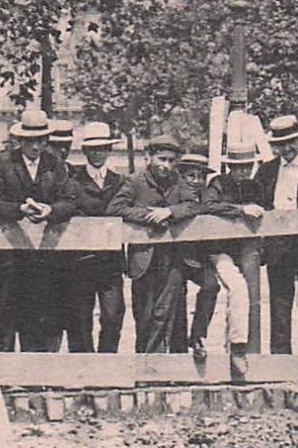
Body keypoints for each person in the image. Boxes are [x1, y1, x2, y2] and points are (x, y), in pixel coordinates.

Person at [0, 107, 77, 351]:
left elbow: (70, 201)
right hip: (9, 255)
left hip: (43, 255)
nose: (36, 146)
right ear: (21, 140)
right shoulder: (3, 162)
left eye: (41, 140)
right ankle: (3, 374)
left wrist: (50, 211)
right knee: (5, 313)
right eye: (30, 141)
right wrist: (18, 209)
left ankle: (31, 376)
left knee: (38, 315)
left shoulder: (54, 163)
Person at [111, 136, 196, 353]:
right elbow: (115, 208)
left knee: (165, 312)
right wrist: (147, 216)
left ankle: (158, 370)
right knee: (145, 314)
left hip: (172, 257)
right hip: (144, 258)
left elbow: (193, 204)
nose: (166, 165)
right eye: (161, 159)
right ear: (149, 157)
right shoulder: (135, 181)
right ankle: (143, 367)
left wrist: (169, 212)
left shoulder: (178, 181)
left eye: (171, 160)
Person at [200, 138, 266, 382]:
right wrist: (240, 210)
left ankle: (239, 350)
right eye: (238, 167)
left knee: (250, 296)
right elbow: (208, 206)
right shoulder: (218, 183)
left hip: (246, 250)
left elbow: (263, 211)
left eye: (247, 166)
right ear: (230, 167)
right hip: (219, 250)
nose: (243, 171)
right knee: (237, 287)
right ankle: (238, 347)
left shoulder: (255, 186)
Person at [62, 120, 127, 353]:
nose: (98, 153)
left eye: (103, 148)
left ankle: (106, 364)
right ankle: (84, 371)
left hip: (110, 263)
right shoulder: (72, 182)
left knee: (113, 314)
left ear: (109, 150)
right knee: (79, 319)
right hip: (80, 262)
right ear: (85, 151)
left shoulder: (120, 182)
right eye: (93, 149)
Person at [255, 114, 298, 355]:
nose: (286, 148)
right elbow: (256, 200)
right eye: (280, 144)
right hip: (278, 244)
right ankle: (281, 358)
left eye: (291, 142)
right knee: (280, 302)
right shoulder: (266, 171)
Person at [174, 148, 218, 359]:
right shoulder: (174, 192)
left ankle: (198, 335)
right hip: (173, 257)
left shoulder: (207, 197)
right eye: (191, 175)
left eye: (201, 176)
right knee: (176, 299)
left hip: (197, 256)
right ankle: (178, 349)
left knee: (211, 285)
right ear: (181, 176)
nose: (196, 180)